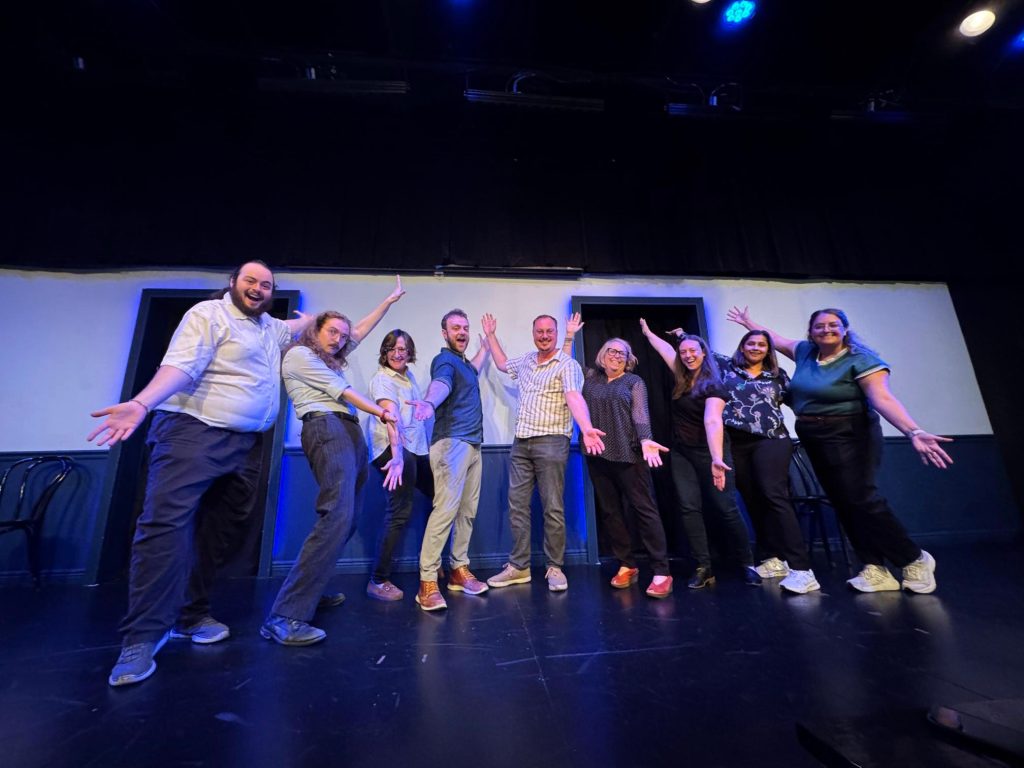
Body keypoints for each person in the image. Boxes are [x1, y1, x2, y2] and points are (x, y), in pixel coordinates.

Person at [89, 260, 314, 686]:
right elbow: (182, 366)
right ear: (232, 283)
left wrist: (312, 320)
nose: (258, 288)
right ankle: (141, 638)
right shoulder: (207, 315)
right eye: (250, 280)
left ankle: (190, 616)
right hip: (192, 433)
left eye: (266, 284)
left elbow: (300, 326)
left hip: (244, 445)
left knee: (216, 533)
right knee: (163, 528)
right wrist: (141, 403)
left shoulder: (269, 328)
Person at [727, 306, 953, 594]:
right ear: (811, 332)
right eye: (819, 326)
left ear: (845, 329)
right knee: (842, 502)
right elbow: (777, 339)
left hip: (851, 433)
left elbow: (882, 398)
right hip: (814, 435)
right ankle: (874, 567)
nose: (826, 330)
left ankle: (913, 558)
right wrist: (749, 322)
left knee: (861, 498)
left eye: (833, 325)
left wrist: (913, 431)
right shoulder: (806, 351)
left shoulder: (861, 359)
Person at [261, 305, 402, 646]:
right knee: (336, 515)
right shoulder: (299, 355)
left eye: (343, 335)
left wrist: (389, 301)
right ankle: (285, 616)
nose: (339, 340)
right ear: (315, 330)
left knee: (346, 519)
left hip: (347, 429)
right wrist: (382, 412)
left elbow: (359, 332)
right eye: (332, 332)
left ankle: (308, 591)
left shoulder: (327, 358)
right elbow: (344, 391)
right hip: (326, 426)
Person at [481, 312, 606, 593]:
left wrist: (586, 427)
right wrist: (490, 336)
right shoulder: (526, 360)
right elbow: (502, 364)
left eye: (550, 331)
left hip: (552, 441)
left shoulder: (567, 364)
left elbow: (574, 396)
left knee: (552, 507)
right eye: (540, 331)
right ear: (533, 333)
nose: (545, 336)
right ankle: (519, 566)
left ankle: (555, 567)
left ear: (556, 333)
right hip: (521, 442)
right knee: (517, 506)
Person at [639, 321, 761, 589]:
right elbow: (666, 351)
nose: (688, 355)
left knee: (725, 507)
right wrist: (648, 334)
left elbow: (712, 421)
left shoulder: (714, 385)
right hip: (682, 453)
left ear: (703, 352)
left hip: (711, 452)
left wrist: (717, 459)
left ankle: (747, 563)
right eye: (683, 352)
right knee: (689, 508)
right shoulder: (682, 378)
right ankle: (703, 566)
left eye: (693, 351)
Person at [407, 309, 491, 611]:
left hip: (473, 445)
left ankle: (458, 570)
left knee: (466, 512)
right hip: (451, 443)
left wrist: (487, 342)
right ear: (445, 333)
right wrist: (429, 402)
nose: (462, 332)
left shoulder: (465, 365)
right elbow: (441, 384)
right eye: (456, 328)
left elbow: (476, 366)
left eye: (465, 328)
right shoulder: (445, 361)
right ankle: (427, 581)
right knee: (445, 511)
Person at [581, 338, 673, 598]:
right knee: (611, 512)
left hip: (629, 454)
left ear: (629, 359)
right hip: (598, 454)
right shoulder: (591, 378)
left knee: (644, 511)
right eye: (611, 351)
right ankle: (626, 564)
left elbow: (640, 415)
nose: (616, 355)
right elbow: (567, 365)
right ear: (602, 355)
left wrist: (645, 439)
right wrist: (567, 338)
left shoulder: (634, 382)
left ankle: (661, 571)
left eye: (622, 353)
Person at [364, 329, 432, 601]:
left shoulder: (408, 377)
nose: (397, 353)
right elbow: (391, 417)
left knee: (440, 497)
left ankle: (430, 563)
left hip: (413, 448)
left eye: (402, 348)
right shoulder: (383, 379)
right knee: (399, 512)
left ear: (409, 352)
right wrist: (397, 456)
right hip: (393, 450)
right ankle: (378, 580)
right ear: (384, 352)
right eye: (391, 348)